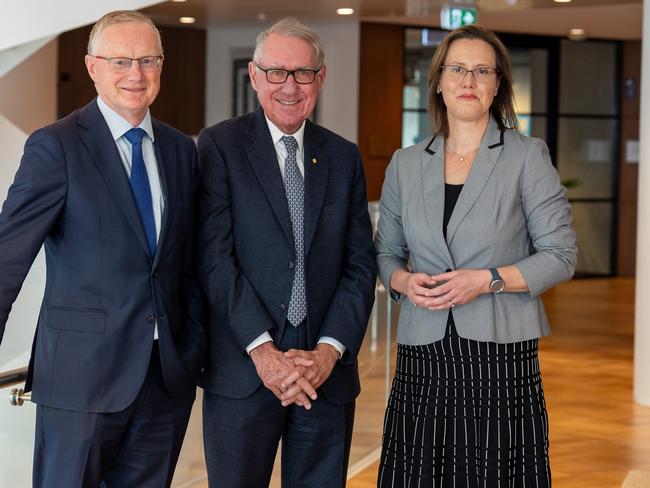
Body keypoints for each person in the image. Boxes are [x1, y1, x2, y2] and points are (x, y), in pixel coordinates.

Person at [0, 10, 205, 487]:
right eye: (120, 61)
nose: (135, 74)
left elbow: (189, 262)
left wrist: (190, 348)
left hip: (163, 381)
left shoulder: (180, 150)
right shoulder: (56, 147)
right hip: (79, 380)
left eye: (147, 60)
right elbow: (8, 257)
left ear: (161, 66)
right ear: (92, 67)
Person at [375, 24, 577, 487]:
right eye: (458, 69)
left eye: (481, 70)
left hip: (499, 349)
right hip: (423, 349)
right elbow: (386, 252)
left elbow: (561, 254)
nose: (468, 81)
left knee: (492, 472)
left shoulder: (527, 156)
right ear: (439, 81)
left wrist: (485, 280)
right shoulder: (405, 163)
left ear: (498, 84)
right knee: (419, 470)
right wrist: (405, 283)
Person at [196, 17, 377, 488]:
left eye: (302, 73)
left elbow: (360, 266)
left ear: (320, 78)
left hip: (325, 377)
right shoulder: (219, 146)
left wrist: (328, 352)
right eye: (277, 72)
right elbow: (214, 259)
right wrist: (263, 352)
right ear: (254, 77)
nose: (289, 86)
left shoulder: (343, 156)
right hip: (244, 369)